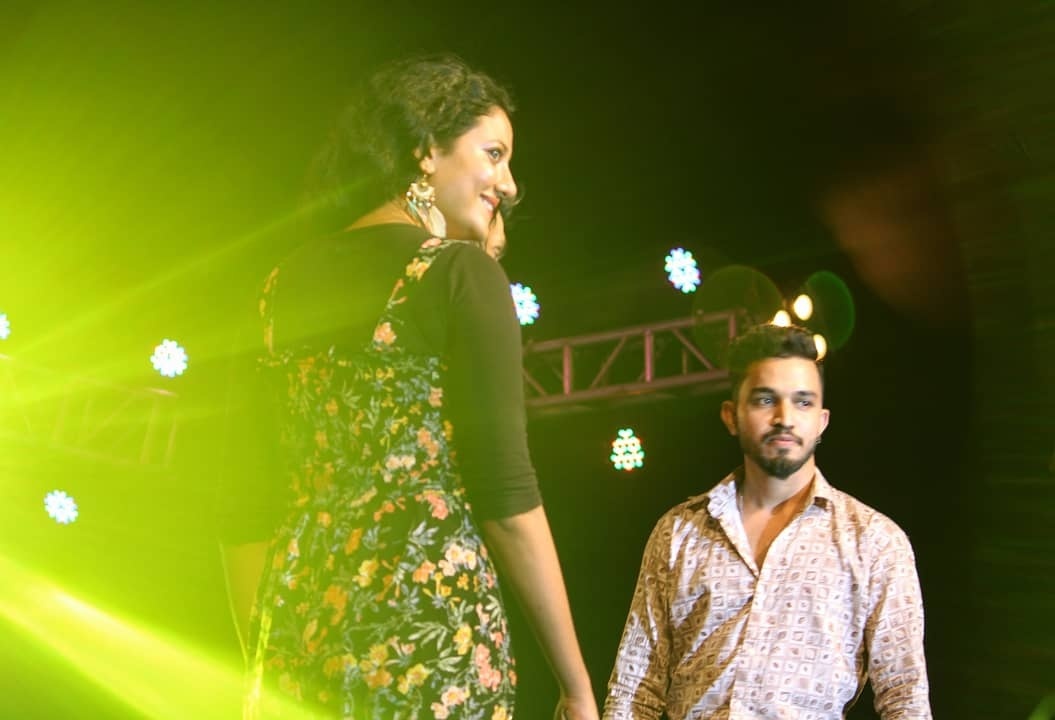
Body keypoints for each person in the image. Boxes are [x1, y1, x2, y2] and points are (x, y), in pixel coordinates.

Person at [215, 54, 597, 720]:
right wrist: (576, 685)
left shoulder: (275, 287)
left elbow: (243, 509)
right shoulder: (460, 274)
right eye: (494, 154)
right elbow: (507, 496)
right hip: (425, 629)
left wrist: (266, 662)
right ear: (425, 149)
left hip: (300, 627)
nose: (509, 184)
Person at [602, 323, 931, 719]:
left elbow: (905, 698)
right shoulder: (679, 533)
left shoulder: (874, 541)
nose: (784, 418)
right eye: (764, 400)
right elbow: (634, 691)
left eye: (803, 402)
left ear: (822, 420)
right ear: (731, 416)